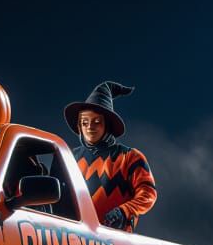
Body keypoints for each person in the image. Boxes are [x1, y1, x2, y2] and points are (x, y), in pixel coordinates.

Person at [64, 81, 157, 232]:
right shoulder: (69, 157)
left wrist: (124, 211)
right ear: (79, 126)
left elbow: (148, 193)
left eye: (96, 122)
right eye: (84, 122)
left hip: (117, 244)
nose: (90, 127)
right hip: (73, 240)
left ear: (107, 125)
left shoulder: (130, 157)